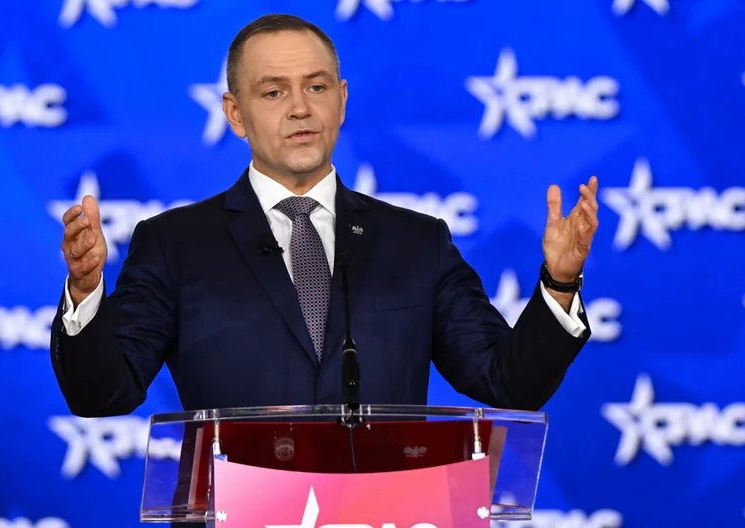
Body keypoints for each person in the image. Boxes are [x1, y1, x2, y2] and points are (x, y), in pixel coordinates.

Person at [49, 13, 599, 418]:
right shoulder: (175, 244)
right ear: (235, 115)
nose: (300, 108)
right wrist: (85, 291)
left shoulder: (417, 242)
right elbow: (103, 394)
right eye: (273, 92)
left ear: (341, 99)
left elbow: (508, 382)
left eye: (316, 87)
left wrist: (559, 282)